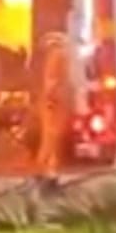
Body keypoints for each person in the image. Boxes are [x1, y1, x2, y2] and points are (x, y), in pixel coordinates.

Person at [35, 32, 75, 193]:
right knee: (52, 139)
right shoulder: (57, 57)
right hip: (56, 103)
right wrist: (51, 99)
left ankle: (47, 174)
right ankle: (47, 175)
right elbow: (51, 81)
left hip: (55, 102)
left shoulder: (56, 57)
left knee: (51, 140)